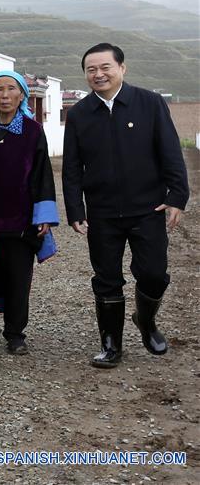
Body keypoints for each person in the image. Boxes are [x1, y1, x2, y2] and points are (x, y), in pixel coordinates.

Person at [63, 43, 189, 368]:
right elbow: (73, 167)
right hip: (103, 213)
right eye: (91, 69)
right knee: (106, 278)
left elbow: (171, 152)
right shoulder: (78, 114)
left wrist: (177, 195)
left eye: (105, 67)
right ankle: (110, 345)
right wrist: (75, 209)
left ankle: (146, 321)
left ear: (122, 68)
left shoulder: (149, 103)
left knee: (154, 274)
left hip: (148, 208)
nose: (98, 74)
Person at [0, 71, 59, 356]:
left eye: (11, 89)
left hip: (19, 221)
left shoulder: (32, 131)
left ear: (22, 96)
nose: (4, 95)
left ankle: (15, 333)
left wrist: (43, 216)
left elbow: (42, 175)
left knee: (17, 279)